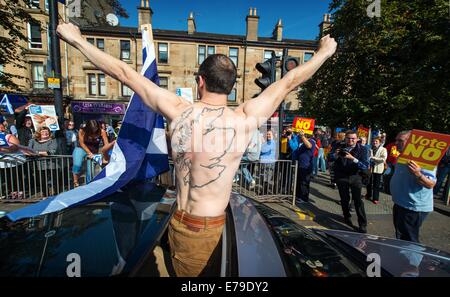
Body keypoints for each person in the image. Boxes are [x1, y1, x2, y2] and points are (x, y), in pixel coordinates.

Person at [56, 22, 337, 276]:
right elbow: (288, 82)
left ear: (200, 81)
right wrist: (323, 53)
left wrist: (77, 39)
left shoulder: (178, 111)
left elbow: (124, 73)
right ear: (230, 85)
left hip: (190, 228)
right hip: (201, 225)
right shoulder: (244, 118)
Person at [390, 131, 436, 243]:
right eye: (396, 140)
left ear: (411, 142)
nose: (396, 143)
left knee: (409, 241)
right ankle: (403, 258)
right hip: (400, 204)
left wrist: (418, 174)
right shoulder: (402, 156)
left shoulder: (424, 158)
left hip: (413, 208)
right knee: (401, 237)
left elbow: (430, 184)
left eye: (400, 141)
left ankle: (413, 260)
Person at [330, 130, 370, 233]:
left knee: (358, 201)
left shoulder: (363, 149)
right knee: (344, 199)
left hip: (355, 176)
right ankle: (346, 216)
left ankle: (362, 224)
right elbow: (329, 158)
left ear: (357, 139)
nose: (350, 140)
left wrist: (353, 158)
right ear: (345, 138)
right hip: (342, 176)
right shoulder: (339, 146)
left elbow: (365, 165)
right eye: (348, 138)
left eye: (353, 138)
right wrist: (335, 155)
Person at [72, 120, 111, 187]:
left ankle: (89, 185)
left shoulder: (102, 131)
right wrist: (89, 153)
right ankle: (75, 181)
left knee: (90, 171)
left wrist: (105, 154)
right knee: (77, 165)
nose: (94, 130)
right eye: (92, 129)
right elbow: (81, 143)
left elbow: (106, 144)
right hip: (81, 148)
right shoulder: (82, 130)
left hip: (93, 151)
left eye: (95, 128)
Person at [289, 129, 315, 203]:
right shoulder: (302, 142)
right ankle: (298, 196)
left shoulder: (312, 141)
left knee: (304, 182)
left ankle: (304, 198)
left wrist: (302, 136)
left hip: (306, 166)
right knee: (298, 181)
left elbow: (309, 146)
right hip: (300, 165)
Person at [366, 136, 387, 204]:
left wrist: (374, 158)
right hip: (370, 168)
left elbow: (383, 159)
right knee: (368, 182)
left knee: (376, 184)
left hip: (378, 168)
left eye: (376, 141)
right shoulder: (370, 148)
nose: (374, 143)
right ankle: (368, 194)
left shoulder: (383, 149)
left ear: (380, 142)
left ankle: (375, 198)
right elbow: (368, 157)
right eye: (373, 141)